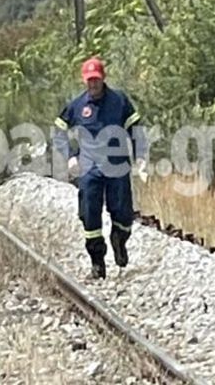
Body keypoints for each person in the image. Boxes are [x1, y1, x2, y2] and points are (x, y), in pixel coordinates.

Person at [53, 57, 146, 280]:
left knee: (123, 215)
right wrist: (70, 157)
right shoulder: (77, 105)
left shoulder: (119, 101)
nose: (93, 84)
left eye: (96, 80)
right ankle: (97, 262)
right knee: (89, 215)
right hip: (89, 168)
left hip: (117, 165)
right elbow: (59, 131)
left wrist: (141, 157)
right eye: (89, 80)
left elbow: (136, 130)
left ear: (103, 78)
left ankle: (119, 240)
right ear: (84, 81)